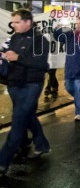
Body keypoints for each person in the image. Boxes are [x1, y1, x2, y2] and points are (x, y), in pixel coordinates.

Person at [0, 9, 50, 176]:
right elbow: (6, 54)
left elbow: (42, 65)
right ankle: (42, 145)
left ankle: (3, 161)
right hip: (14, 84)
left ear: (28, 22)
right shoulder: (13, 38)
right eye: (12, 22)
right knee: (27, 116)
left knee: (19, 119)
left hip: (31, 85)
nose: (13, 25)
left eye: (17, 22)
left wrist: (18, 58)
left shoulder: (39, 40)